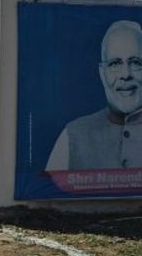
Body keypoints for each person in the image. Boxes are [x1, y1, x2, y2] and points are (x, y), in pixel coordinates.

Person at [47, 20, 142, 171]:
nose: (125, 74)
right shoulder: (72, 136)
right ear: (102, 73)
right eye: (115, 64)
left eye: (135, 63)